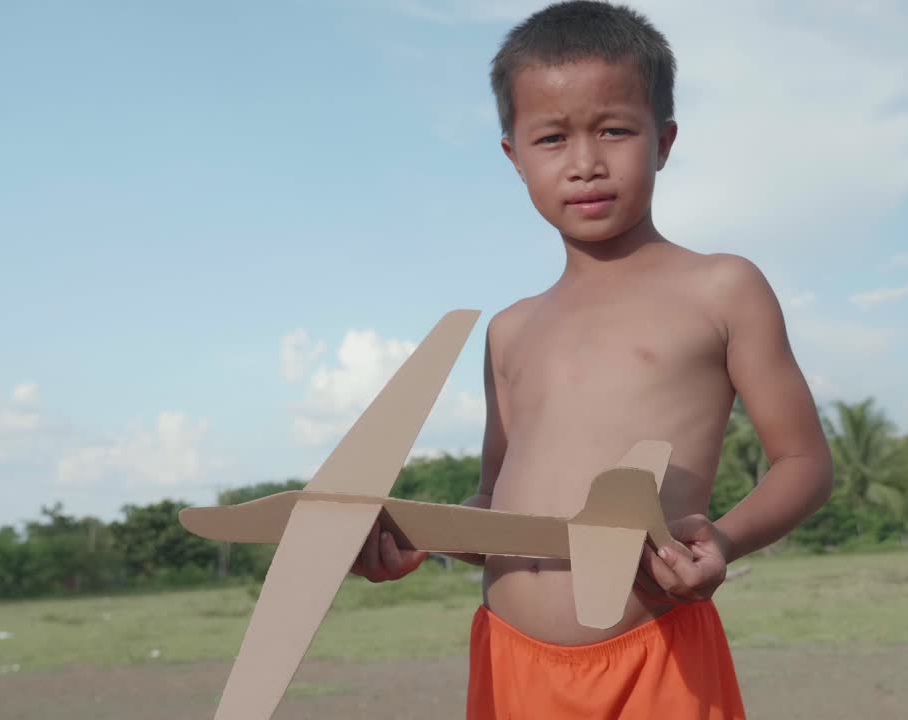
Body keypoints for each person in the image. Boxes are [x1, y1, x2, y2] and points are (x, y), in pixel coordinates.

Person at [351, 2, 834, 717]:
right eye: (551, 138)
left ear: (663, 140)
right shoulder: (510, 331)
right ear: (514, 156)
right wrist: (419, 536)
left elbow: (805, 463)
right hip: (510, 664)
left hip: (655, 658)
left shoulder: (722, 288)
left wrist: (723, 541)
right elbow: (496, 504)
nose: (585, 163)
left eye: (614, 130)